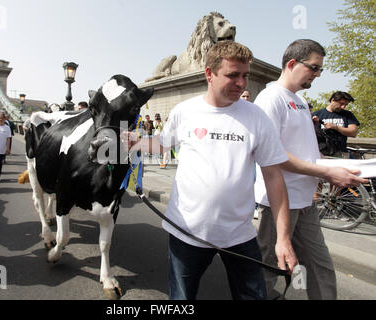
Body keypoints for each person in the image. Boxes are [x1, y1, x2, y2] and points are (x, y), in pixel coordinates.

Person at [126, 40, 297, 300]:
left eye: (245, 75)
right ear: (209, 74)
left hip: (240, 235)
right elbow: (162, 144)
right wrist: (136, 140)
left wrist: (283, 238)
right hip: (186, 233)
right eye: (232, 75)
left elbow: (274, 177)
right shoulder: (184, 111)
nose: (241, 83)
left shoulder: (257, 117)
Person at [253, 39, 368, 300]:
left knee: (320, 266)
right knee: (269, 266)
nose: (318, 75)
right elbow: (273, 156)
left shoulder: (301, 101)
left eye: (320, 70)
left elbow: (307, 150)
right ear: (292, 63)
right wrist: (326, 173)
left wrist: (334, 169)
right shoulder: (271, 98)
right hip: (278, 202)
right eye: (314, 68)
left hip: (305, 201)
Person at [312, 91, 359, 157]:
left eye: (346, 105)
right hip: (321, 153)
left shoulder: (348, 115)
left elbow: (353, 132)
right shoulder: (317, 114)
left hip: (341, 153)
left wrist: (336, 127)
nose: (343, 107)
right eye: (341, 103)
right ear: (333, 100)